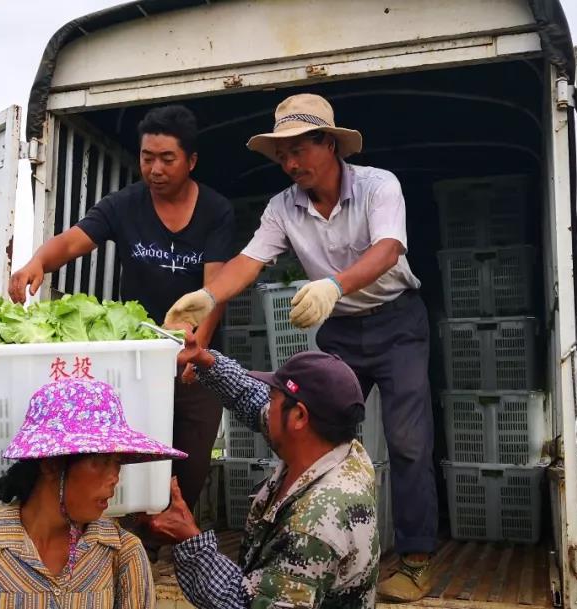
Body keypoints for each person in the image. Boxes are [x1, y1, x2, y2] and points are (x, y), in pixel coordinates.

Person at [164, 93, 437, 601]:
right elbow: (249, 260)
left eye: (298, 150)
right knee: (314, 429)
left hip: (398, 322)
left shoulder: (380, 186)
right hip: (341, 327)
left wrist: (334, 284)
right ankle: (306, 544)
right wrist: (207, 295)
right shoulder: (281, 207)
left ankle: (418, 560)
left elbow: (388, 249)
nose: (289, 163)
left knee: (407, 440)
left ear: (328, 143)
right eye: (280, 155)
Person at [8, 105, 234, 518]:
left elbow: (215, 289)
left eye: (167, 158)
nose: (155, 169)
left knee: (192, 457)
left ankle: (168, 538)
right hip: (138, 360)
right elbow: (74, 241)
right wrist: (37, 262)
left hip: (196, 355)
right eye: (148, 157)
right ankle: (134, 544)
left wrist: (195, 346)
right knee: (134, 453)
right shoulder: (124, 205)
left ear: (191, 161)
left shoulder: (216, 211)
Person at [147, 333, 378, 609]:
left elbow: (245, 604)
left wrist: (190, 541)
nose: (267, 405)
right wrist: (207, 360)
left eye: (274, 398)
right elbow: (252, 399)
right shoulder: (342, 449)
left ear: (299, 417)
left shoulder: (313, 527)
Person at [0, 378, 186, 608]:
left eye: (116, 463)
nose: (114, 477)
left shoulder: (122, 554)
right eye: (101, 462)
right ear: (51, 463)